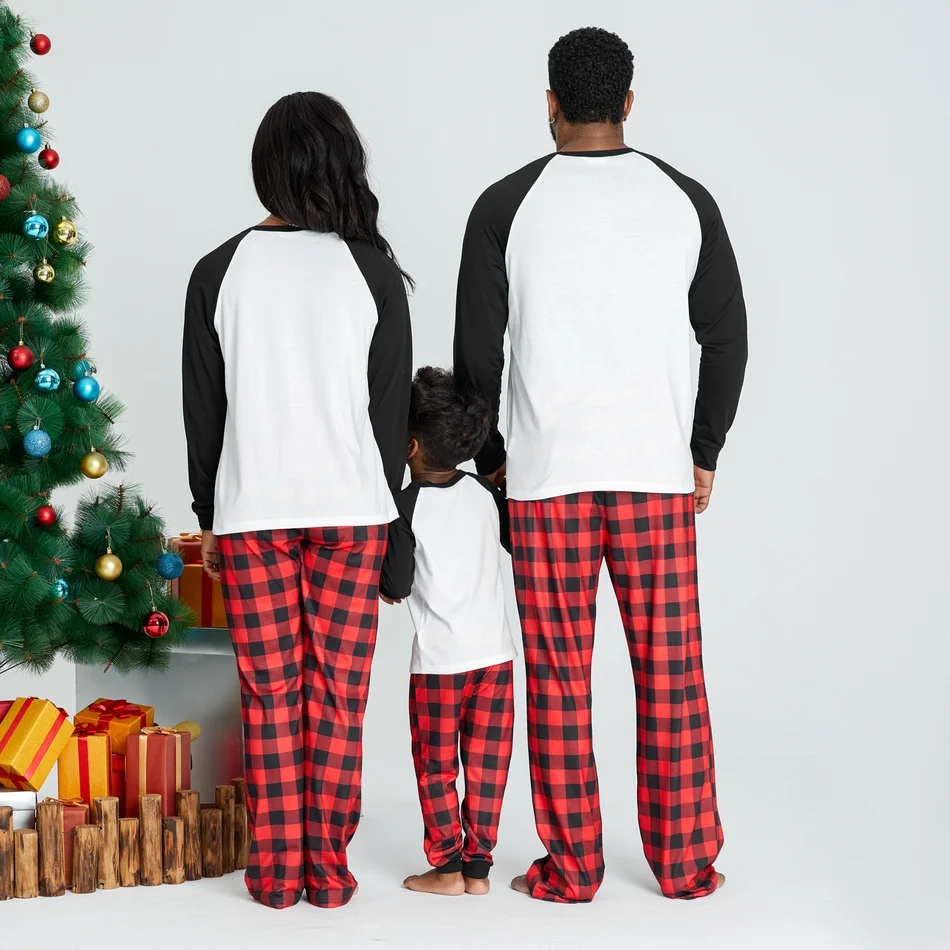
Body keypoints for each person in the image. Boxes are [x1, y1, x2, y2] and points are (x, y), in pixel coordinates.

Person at [453, 27, 747, 903]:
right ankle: (685, 864)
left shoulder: (505, 205)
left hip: (547, 483)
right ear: (628, 102)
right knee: (672, 673)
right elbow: (727, 337)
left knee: (557, 677)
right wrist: (702, 451)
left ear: (550, 104)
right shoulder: (684, 199)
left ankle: (573, 866)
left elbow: (476, 361)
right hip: (655, 478)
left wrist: (497, 462)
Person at [181, 92, 412, 910]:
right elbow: (390, 419)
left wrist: (208, 515)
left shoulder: (217, 271)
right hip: (352, 513)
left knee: (270, 693)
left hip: (252, 513)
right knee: (339, 694)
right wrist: (393, 526)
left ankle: (277, 875)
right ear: (343, 161)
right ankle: (329, 870)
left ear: (265, 167)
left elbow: (204, 411)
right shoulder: (371, 270)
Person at [379, 367, 517, 897]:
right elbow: (509, 543)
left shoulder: (404, 505)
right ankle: (479, 871)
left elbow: (396, 583)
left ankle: (447, 868)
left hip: (439, 663)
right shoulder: (485, 492)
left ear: (409, 446)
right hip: (496, 657)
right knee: (488, 765)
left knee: (436, 767)